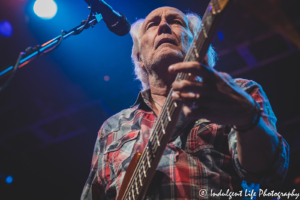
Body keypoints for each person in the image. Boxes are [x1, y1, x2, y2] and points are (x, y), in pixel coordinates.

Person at [81, 6, 289, 200]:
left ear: (197, 44)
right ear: (139, 58)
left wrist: (248, 118)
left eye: (176, 22)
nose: (164, 25)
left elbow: (268, 172)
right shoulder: (112, 129)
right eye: (152, 25)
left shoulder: (238, 92)